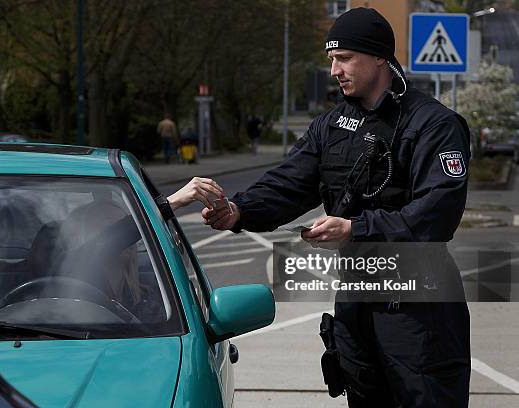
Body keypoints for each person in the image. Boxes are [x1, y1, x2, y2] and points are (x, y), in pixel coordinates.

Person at [202, 8, 471, 408]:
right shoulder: (331, 124)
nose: (334, 70)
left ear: (380, 57)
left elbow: (436, 215)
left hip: (420, 305)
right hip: (357, 294)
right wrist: (240, 210)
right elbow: (291, 181)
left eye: (344, 58)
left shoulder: (434, 125)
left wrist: (355, 229)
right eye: (331, 59)